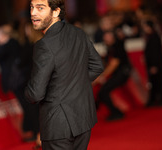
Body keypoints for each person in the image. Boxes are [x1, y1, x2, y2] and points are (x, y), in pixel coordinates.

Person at [24, 0, 104, 149]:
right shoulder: (78, 33)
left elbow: (35, 93)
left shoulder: (44, 45)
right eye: (32, 7)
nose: (33, 13)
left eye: (40, 8)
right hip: (83, 119)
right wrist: (75, 84)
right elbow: (97, 66)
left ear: (56, 12)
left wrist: (26, 92)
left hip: (57, 125)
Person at [94, 29, 132, 121]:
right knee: (102, 91)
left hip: (122, 73)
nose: (106, 40)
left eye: (108, 38)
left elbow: (114, 64)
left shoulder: (117, 46)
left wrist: (102, 76)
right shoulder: (110, 47)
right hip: (118, 73)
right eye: (105, 38)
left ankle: (116, 112)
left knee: (103, 91)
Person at [141, 20, 162, 107]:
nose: (144, 28)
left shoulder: (154, 37)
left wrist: (154, 65)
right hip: (153, 64)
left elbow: (156, 53)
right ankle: (156, 100)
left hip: (156, 64)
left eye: (145, 27)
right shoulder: (150, 36)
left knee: (159, 82)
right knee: (155, 83)